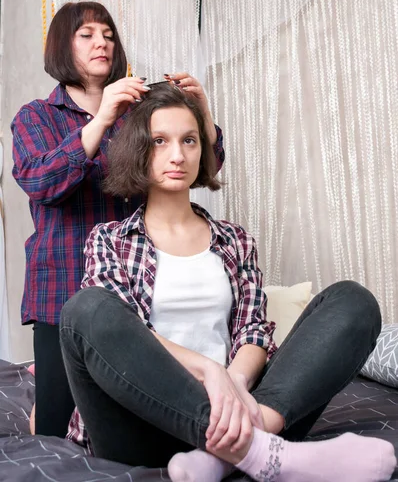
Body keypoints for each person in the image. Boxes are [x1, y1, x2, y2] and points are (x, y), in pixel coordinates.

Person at [60, 83, 395, 482]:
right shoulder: (108, 239)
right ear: (138, 151)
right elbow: (126, 337)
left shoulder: (234, 240)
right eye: (160, 141)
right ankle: (259, 452)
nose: (178, 155)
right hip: (140, 427)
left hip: (239, 412)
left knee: (352, 301)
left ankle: (229, 450)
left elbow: (254, 331)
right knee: (83, 310)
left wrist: (234, 381)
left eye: (189, 140)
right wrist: (208, 371)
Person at [11, 1, 224, 438]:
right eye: (86, 34)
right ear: (61, 47)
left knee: (132, 410)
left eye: (107, 34)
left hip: (137, 282)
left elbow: (202, 166)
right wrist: (102, 116)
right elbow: (41, 182)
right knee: (54, 426)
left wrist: (201, 112)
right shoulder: (35, 116)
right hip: (64, 286)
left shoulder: (137, 114)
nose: (101, 42)